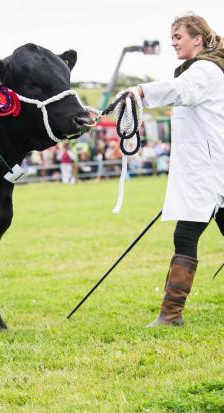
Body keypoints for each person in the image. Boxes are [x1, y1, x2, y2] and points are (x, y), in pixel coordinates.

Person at [128, 13, 224, 327]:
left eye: (178, 36)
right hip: (208, 170)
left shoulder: (206, 70)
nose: (173, 42)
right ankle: (171, 315)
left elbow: (180, 91)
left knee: (184, 236)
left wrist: (141, 91)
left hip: (209, 172)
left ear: (197, 38)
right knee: (187, 236)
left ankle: (171, 315)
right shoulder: (203, 69)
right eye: (172, 37)